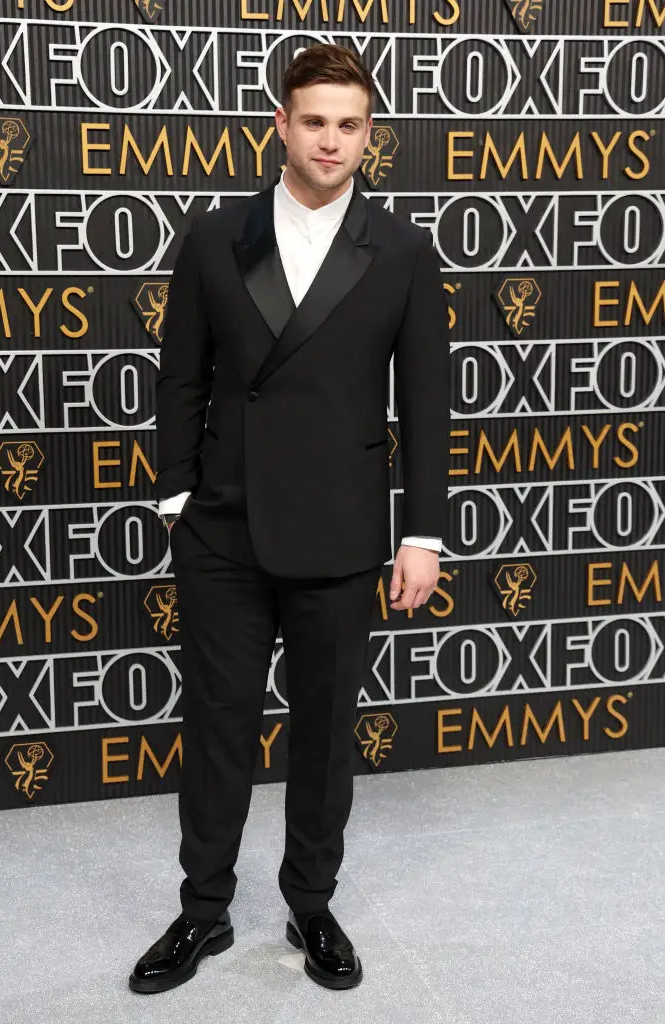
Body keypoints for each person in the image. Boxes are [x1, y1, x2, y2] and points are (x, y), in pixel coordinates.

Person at [129, 42, 449, 995]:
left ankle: (311, 904)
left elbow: (425, 402)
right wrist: (177, 497)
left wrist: (421, 534)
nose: (330, 141)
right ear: (280, 124)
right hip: (223, 531)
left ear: (369, 135)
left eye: (349, 125)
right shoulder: (214, 236)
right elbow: (180, 377)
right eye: (313, 121)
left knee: (323, 732)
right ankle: (202, 911)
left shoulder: (401, 249)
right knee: (216, 728)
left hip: (342, 531)